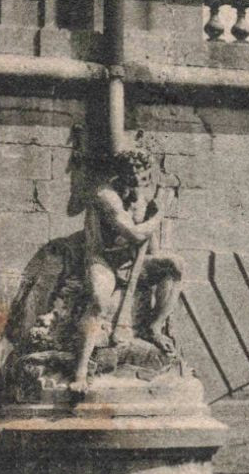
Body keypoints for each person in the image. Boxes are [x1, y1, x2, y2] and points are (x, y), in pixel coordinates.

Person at [70, 147, 182, 392]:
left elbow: (152, 249)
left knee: (175, 265)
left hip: (132, 263)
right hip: (103, 260)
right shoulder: (105, 196)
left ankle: (154, 327)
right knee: (99, 300)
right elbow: (133, 233)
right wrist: (159, 215)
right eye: (132, 179)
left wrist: (153, 262)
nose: (137, 186)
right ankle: (79, 370)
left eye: (142, 179)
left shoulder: (141, 200)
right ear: (119, 175)